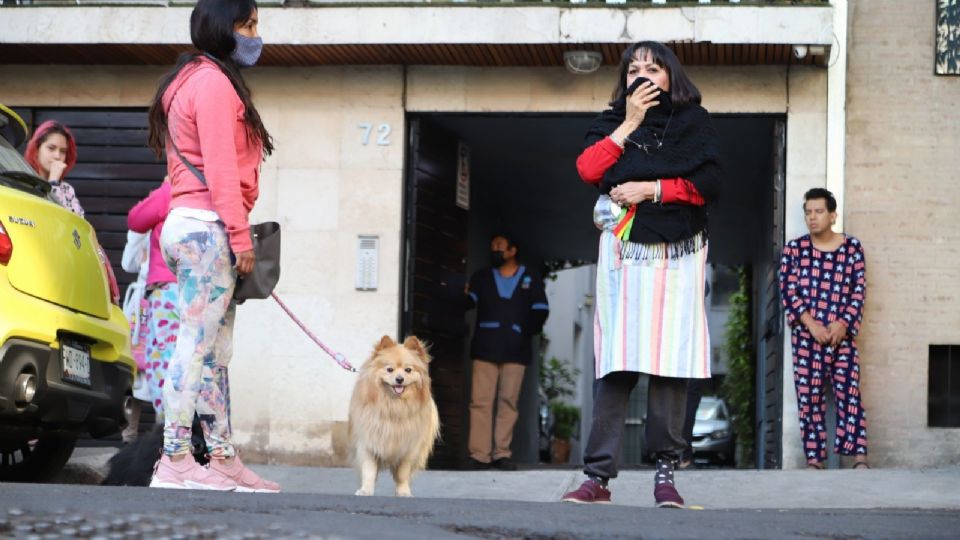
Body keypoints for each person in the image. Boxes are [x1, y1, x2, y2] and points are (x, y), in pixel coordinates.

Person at [561, 41, 721, 508]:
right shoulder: (612, 121)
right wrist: (630, 121)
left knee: (670, 362)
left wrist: (654, 188)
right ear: (625, 80)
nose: (644, 75)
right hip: (624, 252)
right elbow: (588, 168)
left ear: (672, 75)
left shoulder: (695, 123)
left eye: (654, 67)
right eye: (635, 69)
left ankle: (666, 475)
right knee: (617, 359)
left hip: (678, 253)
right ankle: (598, 478)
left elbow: (710, 185)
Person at [145, 0, 280, 492]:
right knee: (196, 344)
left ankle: (221, 456)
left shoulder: (188, 80)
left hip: (193, 224)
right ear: (224, 27)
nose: (255, 34)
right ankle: (175, 457)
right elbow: (221, 167)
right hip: (208, 228)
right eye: (248, 24)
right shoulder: (214, 84)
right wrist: (240, 235)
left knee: (214, 351)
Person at [778, 188, 869, 470]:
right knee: (809, 398)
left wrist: (843, 324)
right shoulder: (794, 250)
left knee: (849, 394)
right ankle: (815, 459)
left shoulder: (852, 248)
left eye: (818, 212)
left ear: (833, 215)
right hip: (807, 337)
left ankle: (859, 458)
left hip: (842, 335)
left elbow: (858, 291)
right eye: (808, 212)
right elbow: (788, 292)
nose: (812, 217)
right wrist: (812, 325)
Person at [465, 233, 549, 471]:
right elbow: (468, 301)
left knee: (508, 402)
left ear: (513, 250)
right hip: (485, 346)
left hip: (516, 350)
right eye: (493, 247)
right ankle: (479, 454)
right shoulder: (482, 277)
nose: (495, 251)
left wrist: (524, 332)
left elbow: (541, 310)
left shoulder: (530, 278)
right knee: (480, 402)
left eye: (499, 247)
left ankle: (502, 453)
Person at [127, 176, 179, 422]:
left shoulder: (172, 189)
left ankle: (171, 435)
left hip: (166, 289)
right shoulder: (211, 188)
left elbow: (136, 218)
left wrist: (161, 190)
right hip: (200, 289)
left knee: (163, 361)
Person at [23, 120, 85, 216]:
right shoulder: (23, 185)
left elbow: (78, 221)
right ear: (36, 149)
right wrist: (53, 183)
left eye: (63, 151)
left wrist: (54, 182)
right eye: (51, 148)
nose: (57, 156)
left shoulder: (67, 190)